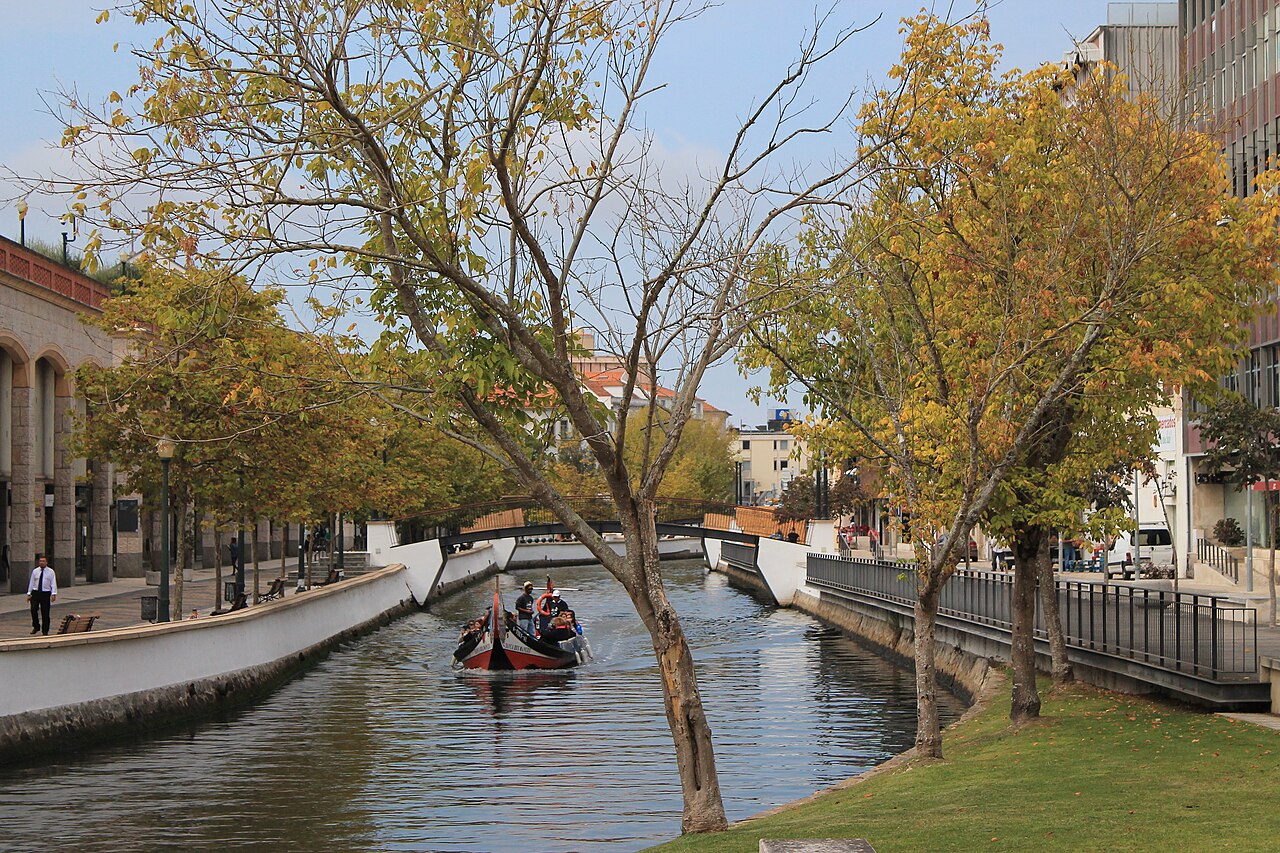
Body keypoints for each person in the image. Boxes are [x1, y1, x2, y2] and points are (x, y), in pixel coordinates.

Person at [26, 555, 58, 636]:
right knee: (33, 610)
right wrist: (29, 593)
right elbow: (32, 582)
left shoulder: (51, 572)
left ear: (46, 562)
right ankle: (36, 626)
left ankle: (45, 630)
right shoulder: (35, 571)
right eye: (40, 561)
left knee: (45, 612)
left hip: (45, 593)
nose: (41, 562)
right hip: (36, 592)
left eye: (43, 561)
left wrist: (53, 594)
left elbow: (53, 583)